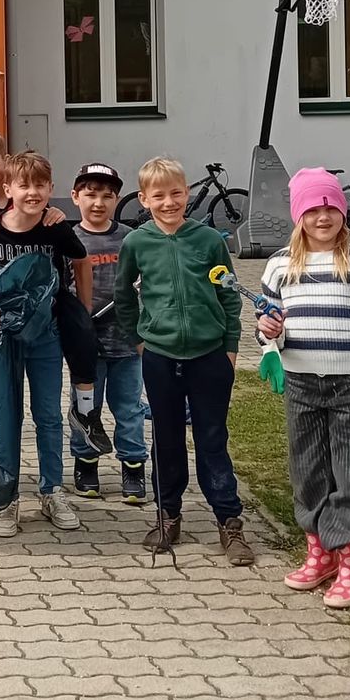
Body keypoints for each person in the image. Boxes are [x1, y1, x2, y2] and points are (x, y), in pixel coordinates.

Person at [256, 168, 350, 608]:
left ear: (342, 211)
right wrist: (268, 331)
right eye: (313, 208)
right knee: (309, 470)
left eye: (331, 207)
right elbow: (267, 332)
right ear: (298, 214)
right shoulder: (280, 265)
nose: (323, 216)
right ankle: (320, 553)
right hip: (301, 386)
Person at [114, 157, 252, 567]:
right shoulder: (136, 243)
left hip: (210, 356)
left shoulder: (209, 240)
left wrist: (230, 345)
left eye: (176, 193)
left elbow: (229, 292)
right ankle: (167, 513)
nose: (169, 202)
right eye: (159, 195)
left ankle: (229, 521)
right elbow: (124, 297)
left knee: (212, 439)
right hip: (159, 356)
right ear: (144, 199)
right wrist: (140, 340)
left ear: (187, 193)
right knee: (167, 438)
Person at [0, 152, 90, 535]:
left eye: (39, 185)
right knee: (7, 415)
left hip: (46, 335)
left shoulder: (56, 228)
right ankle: (5, 499)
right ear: (8, 190)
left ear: (50, 189)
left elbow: (81, 259)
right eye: (24, 185)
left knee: (48, 415)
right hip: (2, 339)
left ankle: (52, 490)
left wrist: (81, 312)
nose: (32, 193)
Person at [66, 164, 148, 505]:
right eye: (90, 194)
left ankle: (133, 466)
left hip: (128, 343)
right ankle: (86, 464)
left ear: (117, 200)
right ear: (75, 197)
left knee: (129, 408)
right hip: (86, 346)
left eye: (107, 196)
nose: (98, 202)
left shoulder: (131, 237)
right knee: (86, 408)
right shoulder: (70, 239)